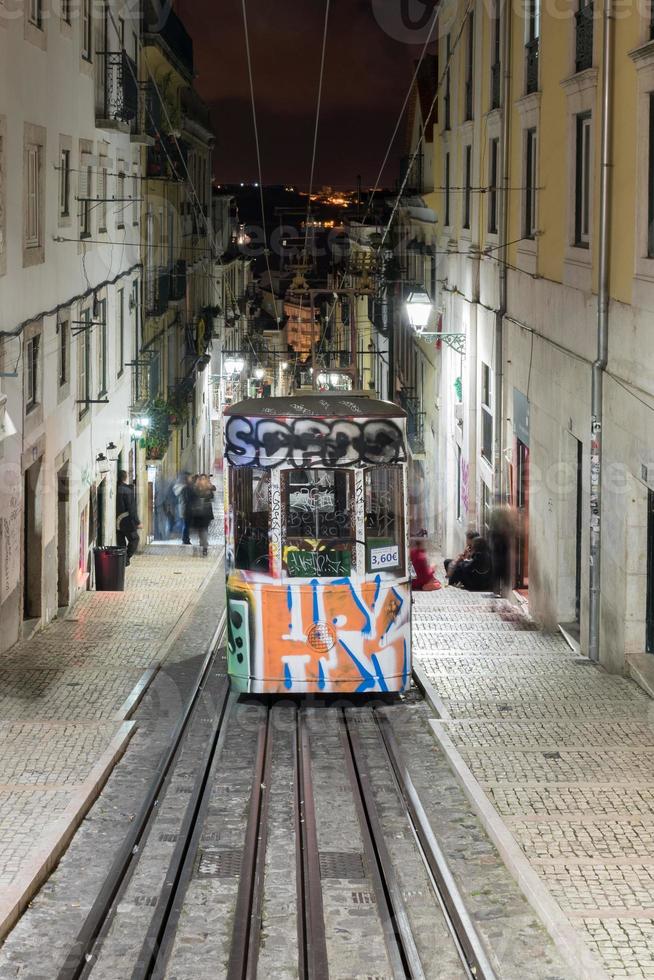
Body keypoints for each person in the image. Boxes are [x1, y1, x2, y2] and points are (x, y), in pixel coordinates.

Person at [116, 470, 142, 566]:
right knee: (135, 539)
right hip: (126, 521)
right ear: (125, 477)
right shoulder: (127, 490)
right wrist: (137, 522)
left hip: (117, 522)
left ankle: (122, 560)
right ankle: (125, 559)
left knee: (121, 543)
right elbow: (132, 508)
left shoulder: (117, 488)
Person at [187, 474, 215, 556]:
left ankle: (205, 546)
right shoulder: (196, 488)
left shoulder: (208, 488)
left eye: (204, 479)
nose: (202, 480)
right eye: (201, 479)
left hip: (206, 513)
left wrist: (209, 489)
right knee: (200, 530)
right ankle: (202, 542)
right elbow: (192, 497)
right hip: (198, 513)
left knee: (204, 529)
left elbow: (212, 495)